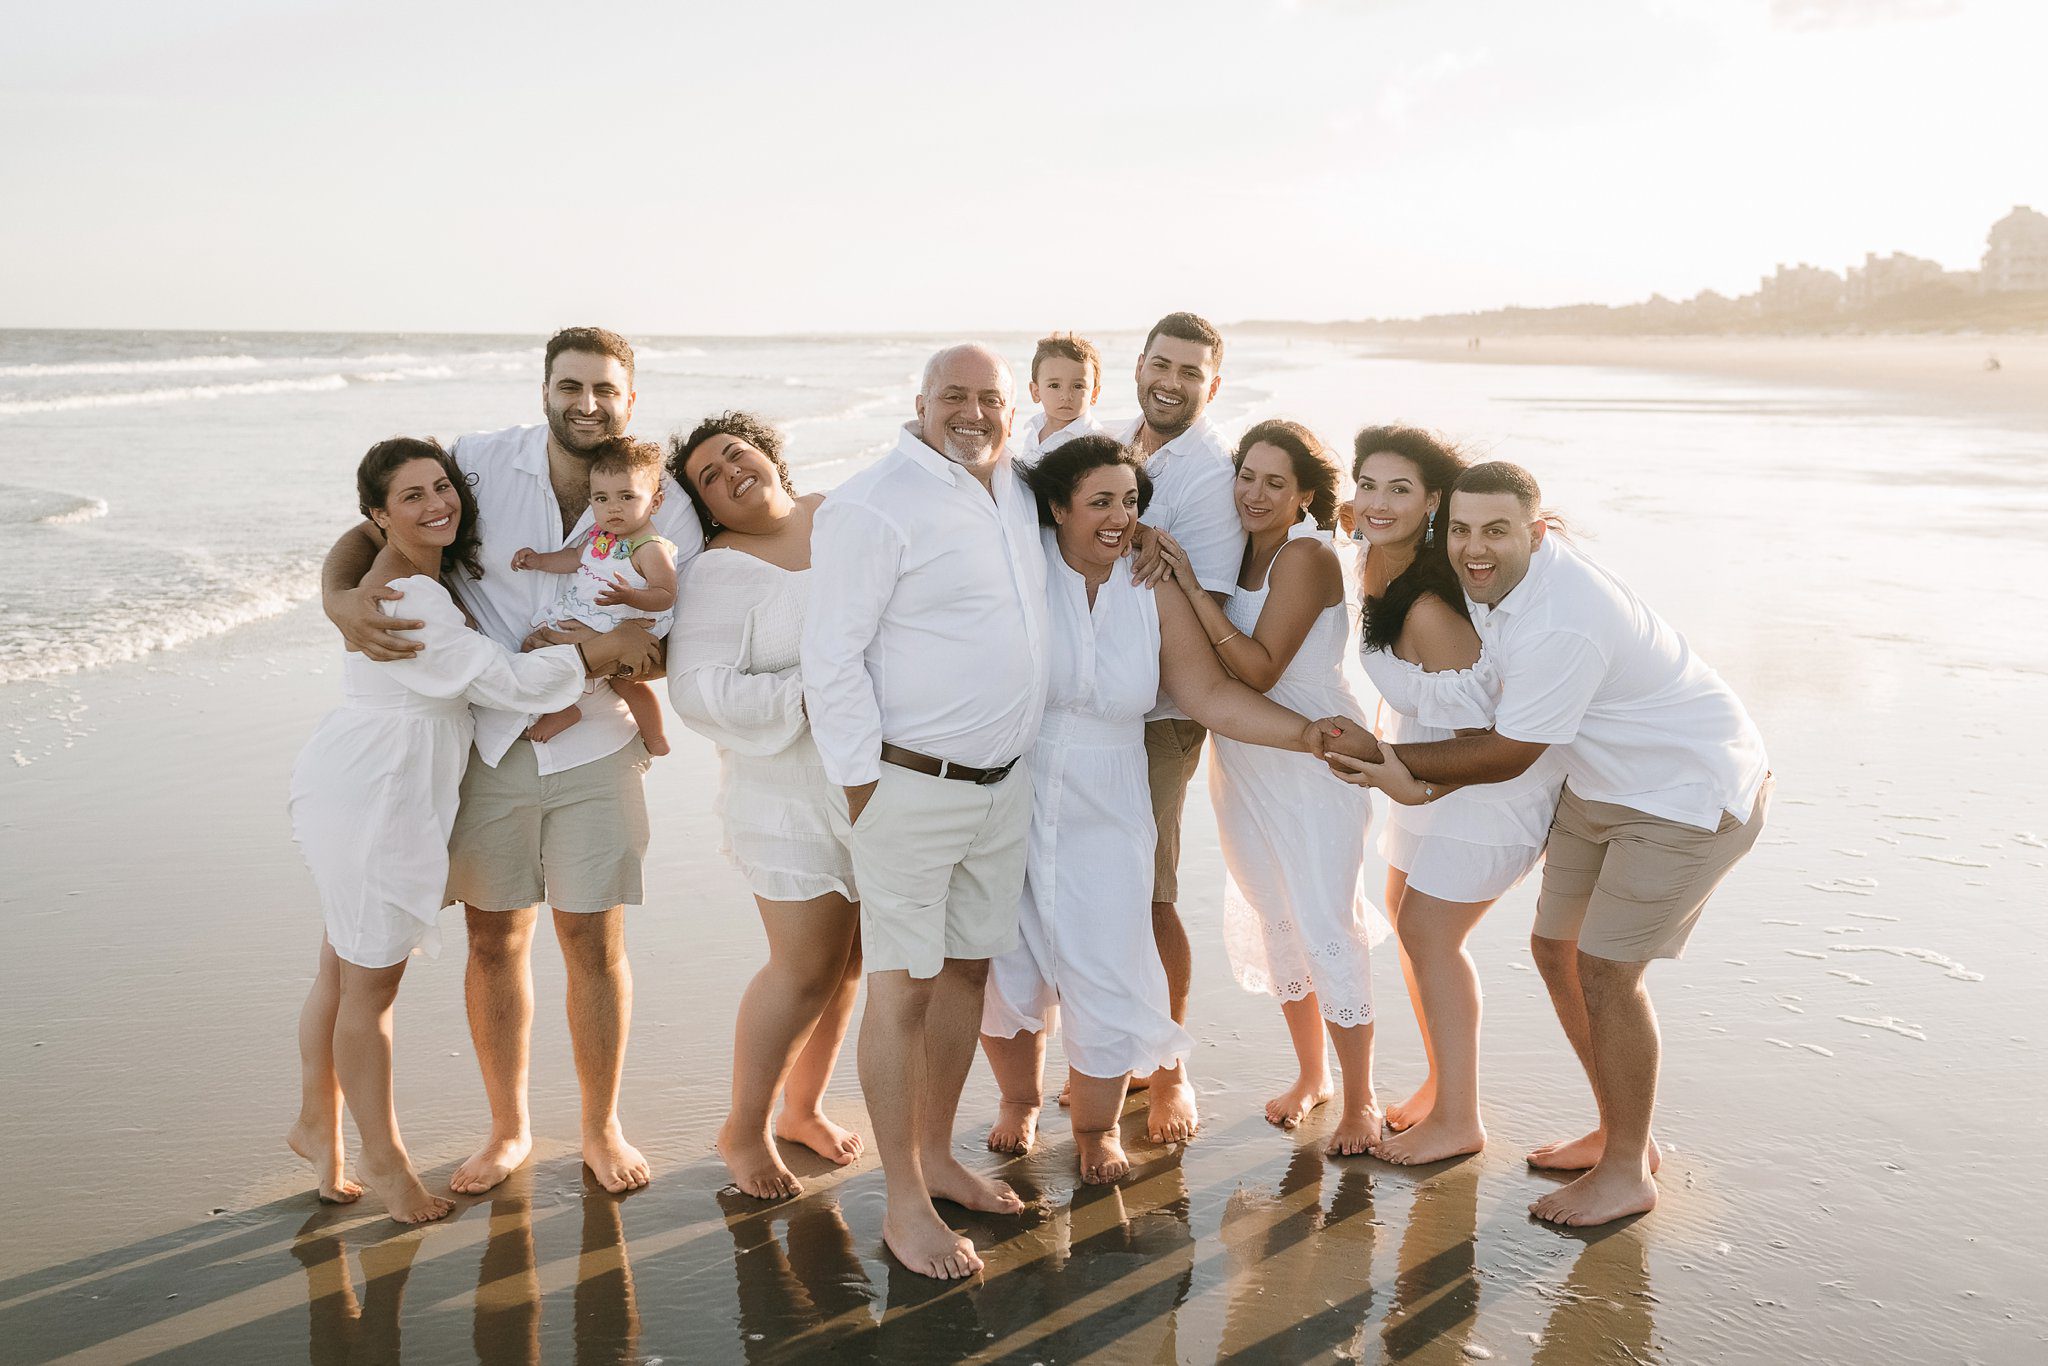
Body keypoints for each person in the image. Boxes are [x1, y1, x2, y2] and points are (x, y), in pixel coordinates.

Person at [1325, 461, 1771, 1227]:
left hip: (1683, 795)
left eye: (1497, 531)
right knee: (1554, 949)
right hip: (1599, 785)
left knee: (1607, 970)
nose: (1475, 549)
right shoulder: (1487, 570)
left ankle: (1628, 1170)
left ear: (1537, 531)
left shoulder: (1561, 618)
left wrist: (1387, 763)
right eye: (1461, 529)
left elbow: (1506, 752)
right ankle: (1623, 1132)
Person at [318, 326, 701, 1196]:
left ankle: (601, 1128)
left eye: (605, 389)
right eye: (571, 385)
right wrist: (338, 598)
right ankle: (509, 1129)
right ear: (544, 389)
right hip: (486, 740)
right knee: (494, 938)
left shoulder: (660, 494)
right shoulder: (480, 464)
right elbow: (375, 524)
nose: (587, 403)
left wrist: (609, 661)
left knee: (594, 939)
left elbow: (676, 628)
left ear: (629, 399)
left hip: (600, 739)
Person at [289, 438, 635, 1223]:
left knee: (341, 967)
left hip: (372, 775)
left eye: (441, 486)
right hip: (377, 790)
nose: (436, 503)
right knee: (370, 983)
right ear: (378, 516)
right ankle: (385, 1161)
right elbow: (504, 682)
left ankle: (317, 1123)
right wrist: (597, 655)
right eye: (410, 497)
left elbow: (478, 668)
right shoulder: (408, 596)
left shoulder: (420, 574)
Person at [979, 437, 1339, 1184]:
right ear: (1056, 509)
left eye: (1132, 502)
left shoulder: (1151, 585)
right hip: (1018, 784)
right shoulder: (1021, 570)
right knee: (1007, 955)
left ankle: (1097, 1128)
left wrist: (1306, 735)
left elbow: (1208, 695)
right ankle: (1018, 1098)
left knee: (1109, 954)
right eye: (1102, 502)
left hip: (1112, 794)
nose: (1120, 517)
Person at [801, 343, 1048, 1280]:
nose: (975, 413)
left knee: (967, 975)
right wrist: (868, 787)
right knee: (901, 987)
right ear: (919, 402)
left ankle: (938, 1157)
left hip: (1003, 783)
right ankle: (903, 1201)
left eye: (991, 398)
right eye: (956, 396)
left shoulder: (1015, 490)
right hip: (908, 787)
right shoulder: (872, 503)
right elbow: (832, 657)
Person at [1158, 419, 1385, 1156]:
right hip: (1246, 759)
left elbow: (1257, 669)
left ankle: (1362, 1100)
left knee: (1326, 921)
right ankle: (1311, 1075)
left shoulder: (1308, 556)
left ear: (1306, 497)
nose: (1253, 493)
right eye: (1246, 476)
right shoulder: (1239, 551)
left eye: (1274, 483)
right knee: (1276, 918)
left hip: (1314, 758)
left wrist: (1187, 584)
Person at [1345, 427, 1563, 1167]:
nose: (1378, 502)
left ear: (1433, 500)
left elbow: (1486, 729)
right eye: (1367, 484)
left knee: (1431, 937)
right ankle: (1443, 1086)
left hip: (1478, 782)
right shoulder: (1374, 553)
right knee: (1411, 927)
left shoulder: (1431, 605)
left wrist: (1400, 771)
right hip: (1428, 772)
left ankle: (1460, 1119)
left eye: (1400, 489)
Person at [666, 411, 864, 1201]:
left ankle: (802, 1109)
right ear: (707, 508)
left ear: (769, 453)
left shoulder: (842, 514)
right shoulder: (716, 572)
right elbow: (697, 692)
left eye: (735, 453)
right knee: (804, 966)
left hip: (874, 779)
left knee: (850, 962)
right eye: (709, 478)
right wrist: (819, 692)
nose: (729, 472)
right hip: (786, 791)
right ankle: (741, 1128)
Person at [1117, 311, 1245, 1141]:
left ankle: (1169, 1073)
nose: (1171, 380)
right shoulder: (1109, 437)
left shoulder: (1211, 476)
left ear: (1212, 384)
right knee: (1086, 892)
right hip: (1079, 707)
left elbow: (1203, 605)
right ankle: (1109, 1054)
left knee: (1149, 892)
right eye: (1160, 363)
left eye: (1190, 371)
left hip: (1158, 714)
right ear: (1138, 364)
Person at [511, 436, 677, 755]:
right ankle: (646, 733)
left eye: (626, 496)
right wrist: (538, 560)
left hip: (624, 624)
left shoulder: (651, 548)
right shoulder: (603, 537)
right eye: (601, 498)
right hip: (596, 616)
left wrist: (631, 595)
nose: (612, 507)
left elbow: (665, 595)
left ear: (655, 502)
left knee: (542, 649)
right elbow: (574, 558)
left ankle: (568, 709)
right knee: (614, 680)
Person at [1014, 332, 1106, 463]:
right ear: (1035, 391)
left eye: (1078, 386)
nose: (1066, 396)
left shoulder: (1093, 441)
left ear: (1094, 394)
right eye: (1055, 385)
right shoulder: (1035, 427)